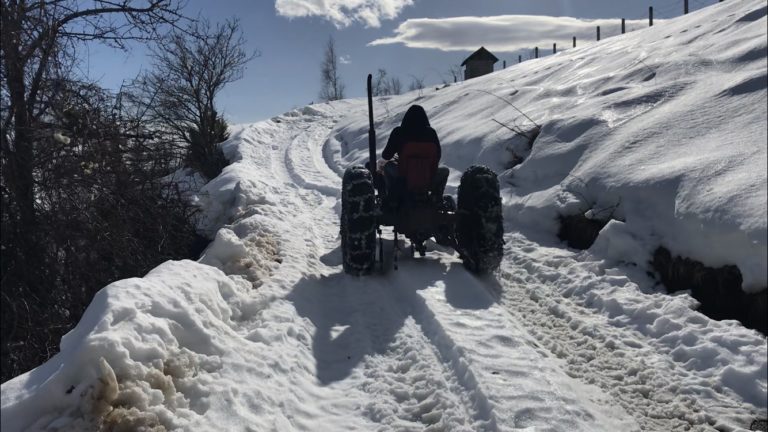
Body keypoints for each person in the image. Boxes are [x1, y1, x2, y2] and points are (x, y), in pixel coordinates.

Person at [378, 105, 449, 206]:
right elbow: (438, 156)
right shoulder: (431, 132)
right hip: (427, 177)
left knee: (387, 166)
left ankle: (392, 197)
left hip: (403, 177)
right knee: (445, 170)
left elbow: (386, 156)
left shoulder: (399, 131)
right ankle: (436, 197)